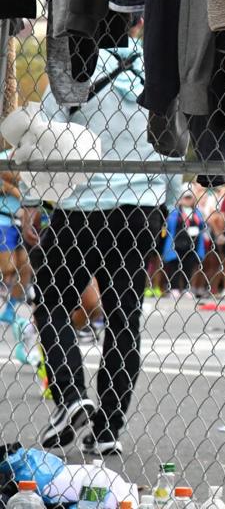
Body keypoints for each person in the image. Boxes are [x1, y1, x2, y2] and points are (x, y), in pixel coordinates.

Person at [23, 35, 181, 455]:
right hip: (140, 204)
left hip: (81, 202)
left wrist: (32, 200)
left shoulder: (77, 61)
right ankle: (108, 427)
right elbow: (175, 137)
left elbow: (42, 134)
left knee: (53, 301)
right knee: (123, 316)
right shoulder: (157, 62)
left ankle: (71, 394)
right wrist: (168, 199)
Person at [161, 192, 205, 297]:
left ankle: (186, 288)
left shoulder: (197, 213)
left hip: (192, 243)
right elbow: (168, 226)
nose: (187, 200)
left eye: (189, 198)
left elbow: (202, 226)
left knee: (188, 267)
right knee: (174, 267)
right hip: (176, 243)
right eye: (185, 198)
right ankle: (174, 288)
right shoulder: (174, 212)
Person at [0, 172, 30, 324]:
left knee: (26, 267)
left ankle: (11, 308)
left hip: (21, 222)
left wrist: (12, 186)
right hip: (3, 219)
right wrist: (18, 188)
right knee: (8, 268)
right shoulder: (4, 157)